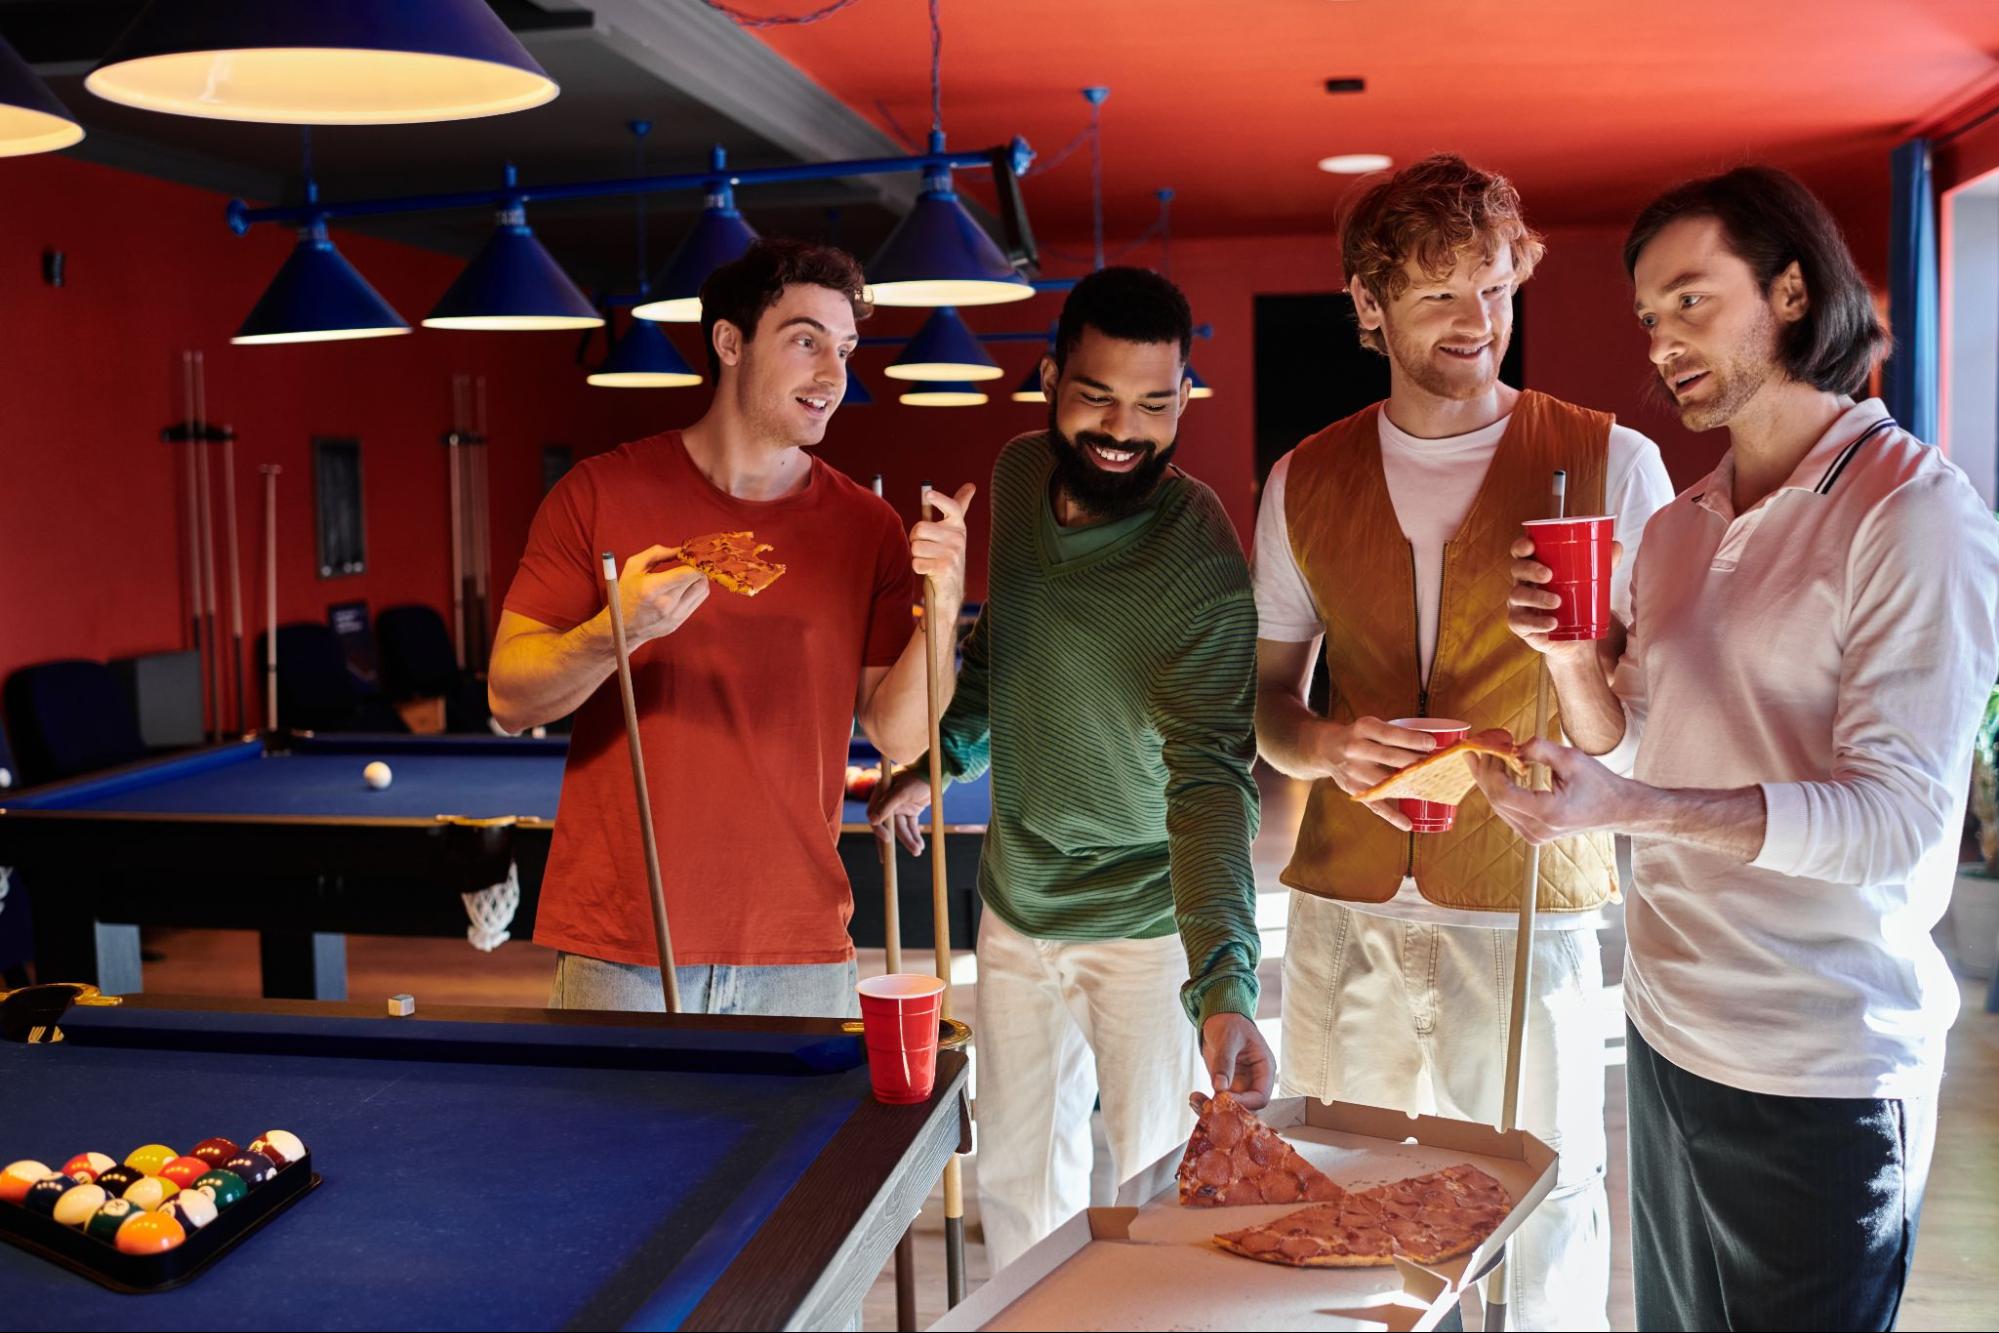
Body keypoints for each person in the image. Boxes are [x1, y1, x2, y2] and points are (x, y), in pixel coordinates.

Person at [1474, 164, 1999, 1331]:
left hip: (1821, 1066)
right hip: (1667, 1033)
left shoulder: (1914, 513)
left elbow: (1897, 823)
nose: (1662, 342)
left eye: (1691, 302)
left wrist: (1624, 807)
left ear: (1793, 290)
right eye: (1648, 319)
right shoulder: (1673, 525)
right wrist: (1568, 657)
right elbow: (1639, 736)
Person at [1251, 153, 1674, 1330]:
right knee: (1340, 1207)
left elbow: (1633, 740)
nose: (1476, 322)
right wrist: (1330, 750)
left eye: (1493, 287)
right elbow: (1269, 708)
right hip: (1346, 910)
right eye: (1439, 295)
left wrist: (1569, 661)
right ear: (1368, 306)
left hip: (1527, 901)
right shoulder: (1303, 478)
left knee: (1545, 1206)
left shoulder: (1611, 466)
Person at [869, 266, 1273, 1270]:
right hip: (1014, 903)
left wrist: (1224, 984)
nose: (1123, 428)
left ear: (1184, 398)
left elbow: (1213, 785)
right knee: (1015, 1182)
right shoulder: (1013, 477)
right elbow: (1013, 643)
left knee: (1162, 1188)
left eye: (1154, 403)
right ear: (1050, 378)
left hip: (1143, 924)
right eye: (1096, 393)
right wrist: (943, 758)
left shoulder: (1199, 567)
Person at [488, 238, 974, 1017]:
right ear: (729, 342)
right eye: (806, 341)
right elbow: (510, 699)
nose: (832, 375)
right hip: (624, 946)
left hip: (800, 944)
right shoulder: (596, 494)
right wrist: (617, 630)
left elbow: (899, 735)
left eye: (844, 348)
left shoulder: (868, 527)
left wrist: (944, 603)